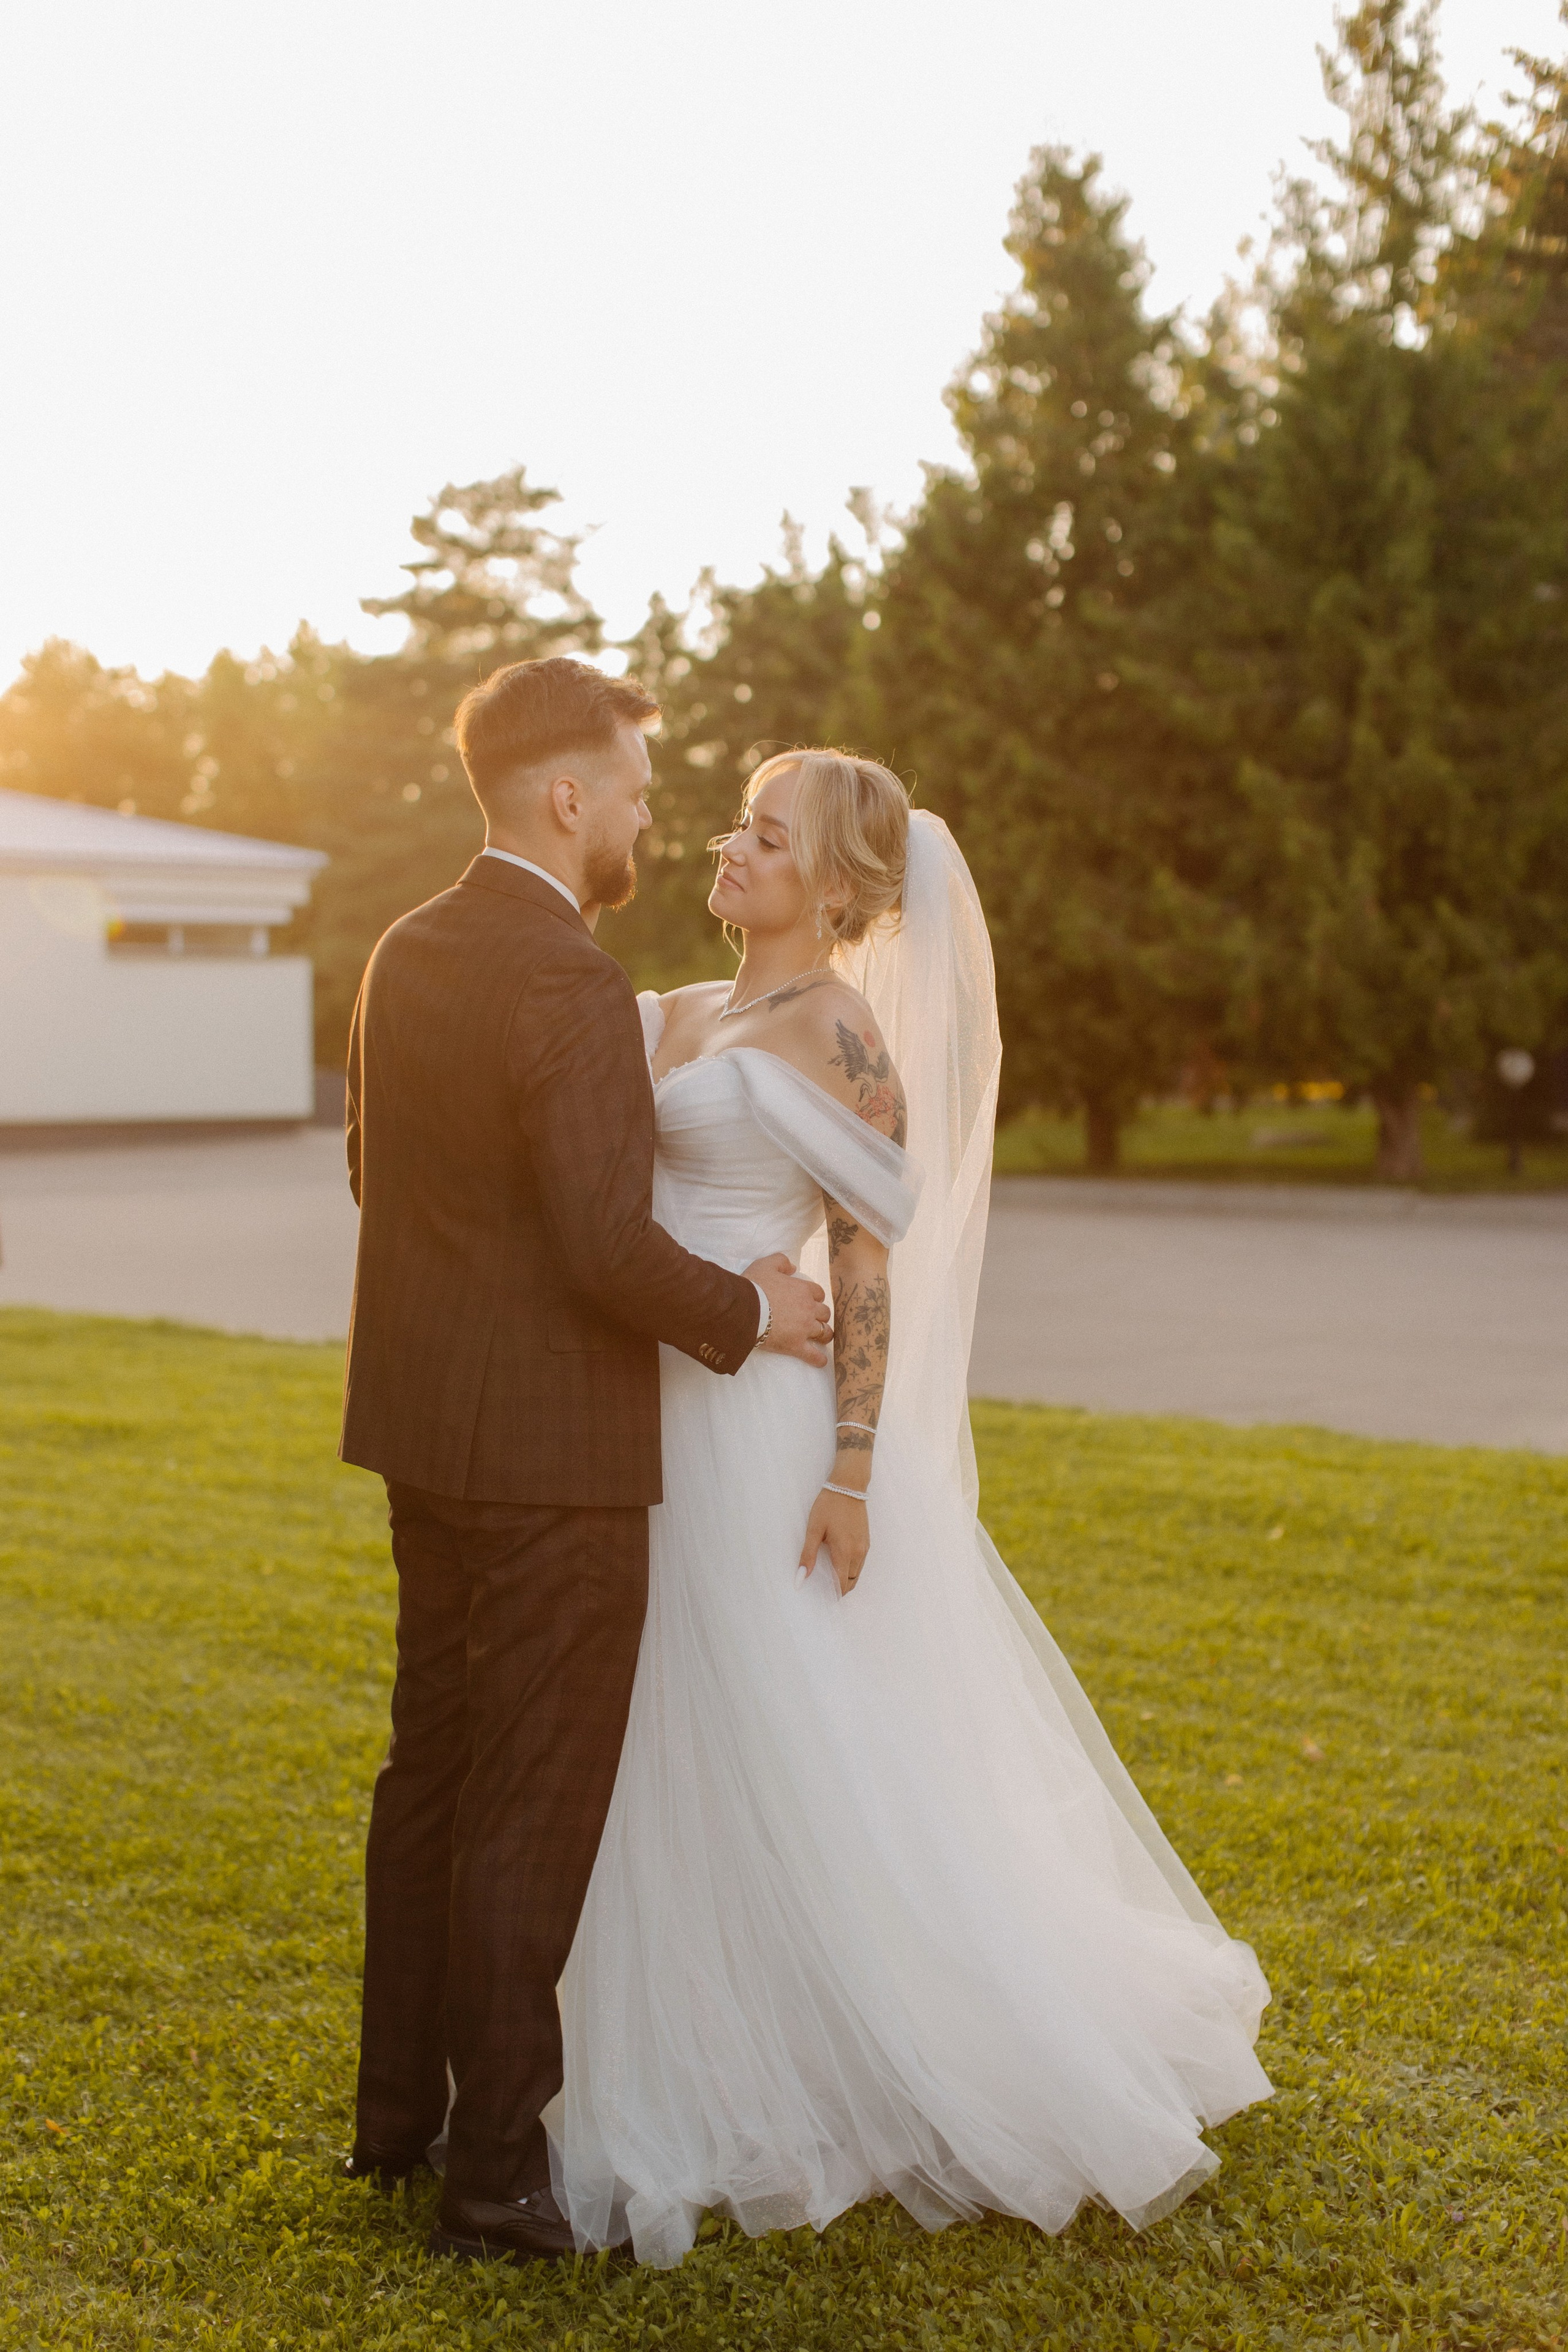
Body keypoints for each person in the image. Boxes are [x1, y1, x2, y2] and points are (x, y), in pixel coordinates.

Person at [545, 750, 1274, 2267]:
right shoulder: (673, 1011)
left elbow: (867, 1262)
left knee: (767, 1721)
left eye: (767, 837)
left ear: (836, 888)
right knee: (649, 1721)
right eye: (736, 826)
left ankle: (830, 2049)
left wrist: (852, 1467)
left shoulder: (840, 1036)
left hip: (762, 1434)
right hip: (647, 1408)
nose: (730, 850)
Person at [337, 658, 833, 2264]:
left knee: (432, 1773)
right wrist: (753, 1309)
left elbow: (374, 1172)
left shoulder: (402, 953)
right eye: (627, 787)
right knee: (529, 1808)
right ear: (566, 796)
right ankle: (495, 2179)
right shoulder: (560, 975)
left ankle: (394, 2121)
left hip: (423, 1432)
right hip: (551, 1455)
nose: (641, 815)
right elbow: (605, 1249)